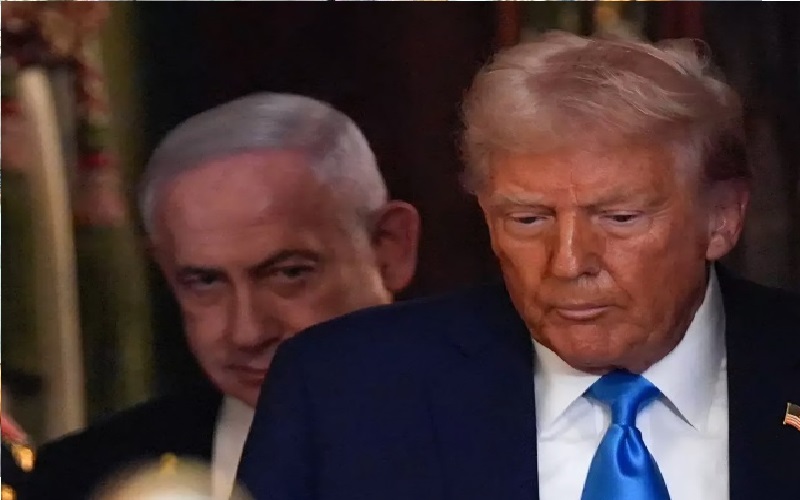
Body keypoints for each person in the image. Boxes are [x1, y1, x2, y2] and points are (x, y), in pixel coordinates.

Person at [237, 32, 800, 500]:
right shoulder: (343, 390)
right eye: (528, 220)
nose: (568, 262)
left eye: (620, 218)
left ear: (723, 218)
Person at [27, 93, 420, 500]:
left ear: (390, 247)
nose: (247, 332)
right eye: (205, 282)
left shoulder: (468, 434)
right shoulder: (77, 481)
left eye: (289, 274)